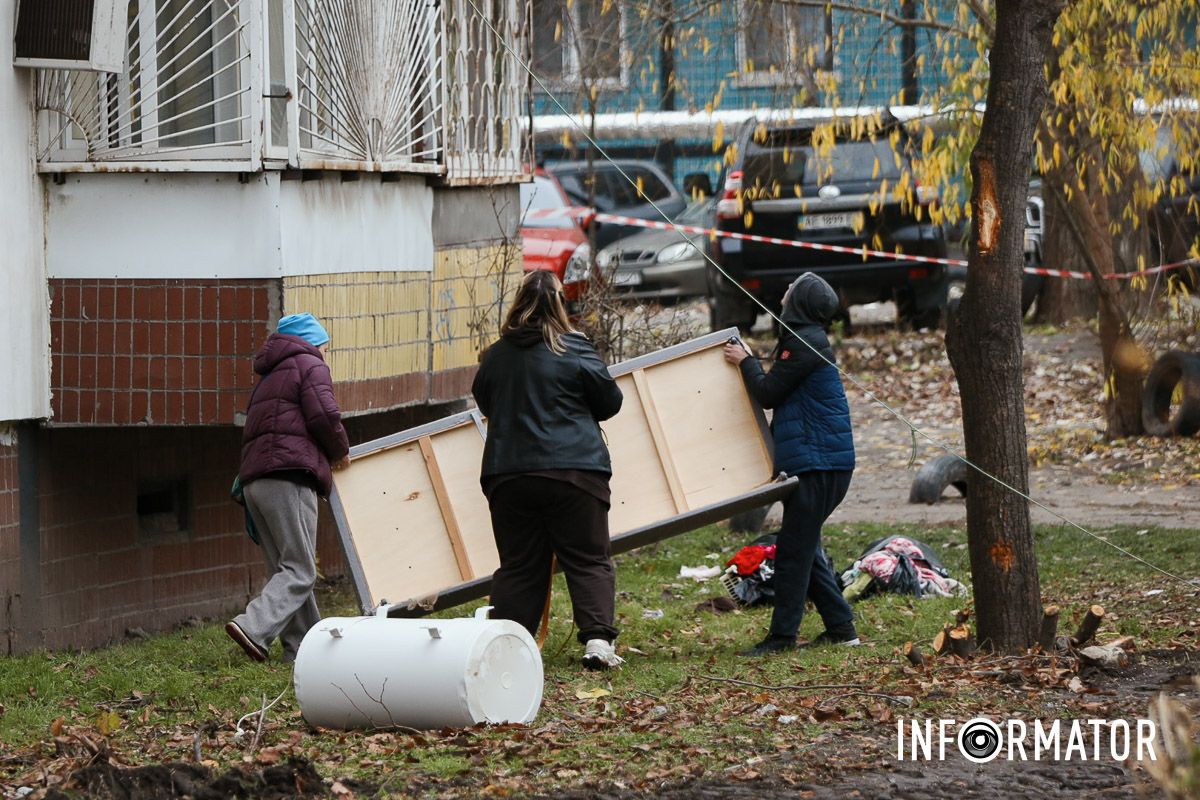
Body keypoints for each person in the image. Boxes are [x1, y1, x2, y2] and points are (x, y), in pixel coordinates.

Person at [472, 270, 625, 670]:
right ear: (560, 304)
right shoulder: (575, 348)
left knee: (520, 565)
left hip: (509, 473)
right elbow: (610, 401)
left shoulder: (495, 355)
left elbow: (486, 402)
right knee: (588, 558)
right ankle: (596, 640)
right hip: (575, 472)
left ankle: (506, 647)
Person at [723, 273, 859, 656]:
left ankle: (782, 637)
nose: (782, 293)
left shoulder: (803, 343)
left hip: (821, 465)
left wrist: (746, 361)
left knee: (794, 553)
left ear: (798, 301)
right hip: (819, 463)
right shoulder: (801, 340)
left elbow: (768, 393)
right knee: (803, 547)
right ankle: (841, 627)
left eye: (790, 289)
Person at [226, 312, 350, 663]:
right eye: (325, 345)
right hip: (289, 476)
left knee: (288, 569)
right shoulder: (309, 364)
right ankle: (253, 626)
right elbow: (325, 415)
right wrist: (339, 451)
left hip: (255, 482)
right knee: (300, 570)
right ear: (313, 342)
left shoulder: (270, 375)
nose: (326, 353)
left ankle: (304, 650)